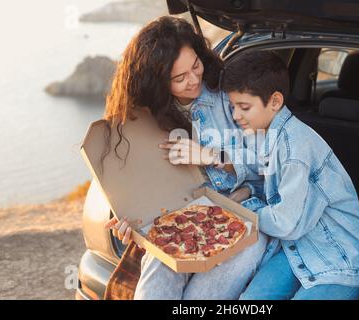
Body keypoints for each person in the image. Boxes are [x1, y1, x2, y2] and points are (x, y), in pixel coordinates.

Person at [102, 16, 267, 300]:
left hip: (248, 212)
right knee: (154, 285)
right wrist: (132, 220)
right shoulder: (144, 117)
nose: (194, 81)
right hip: (182, 217)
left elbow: (266, 164)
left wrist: (212, 156)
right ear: (156, 81)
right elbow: (140, 187)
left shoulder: (231, 94)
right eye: (179, 78)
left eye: (196, 66)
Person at [221, 50, 359, 300]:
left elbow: (287, 223)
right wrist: (247, 189)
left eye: (244, 107)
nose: (235, 116)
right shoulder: (266, 134)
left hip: (342, 260)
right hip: (298, 249)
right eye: (232, 107)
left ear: (274, 101)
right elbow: (264, 178)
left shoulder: (297, 147)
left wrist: (240, 213)